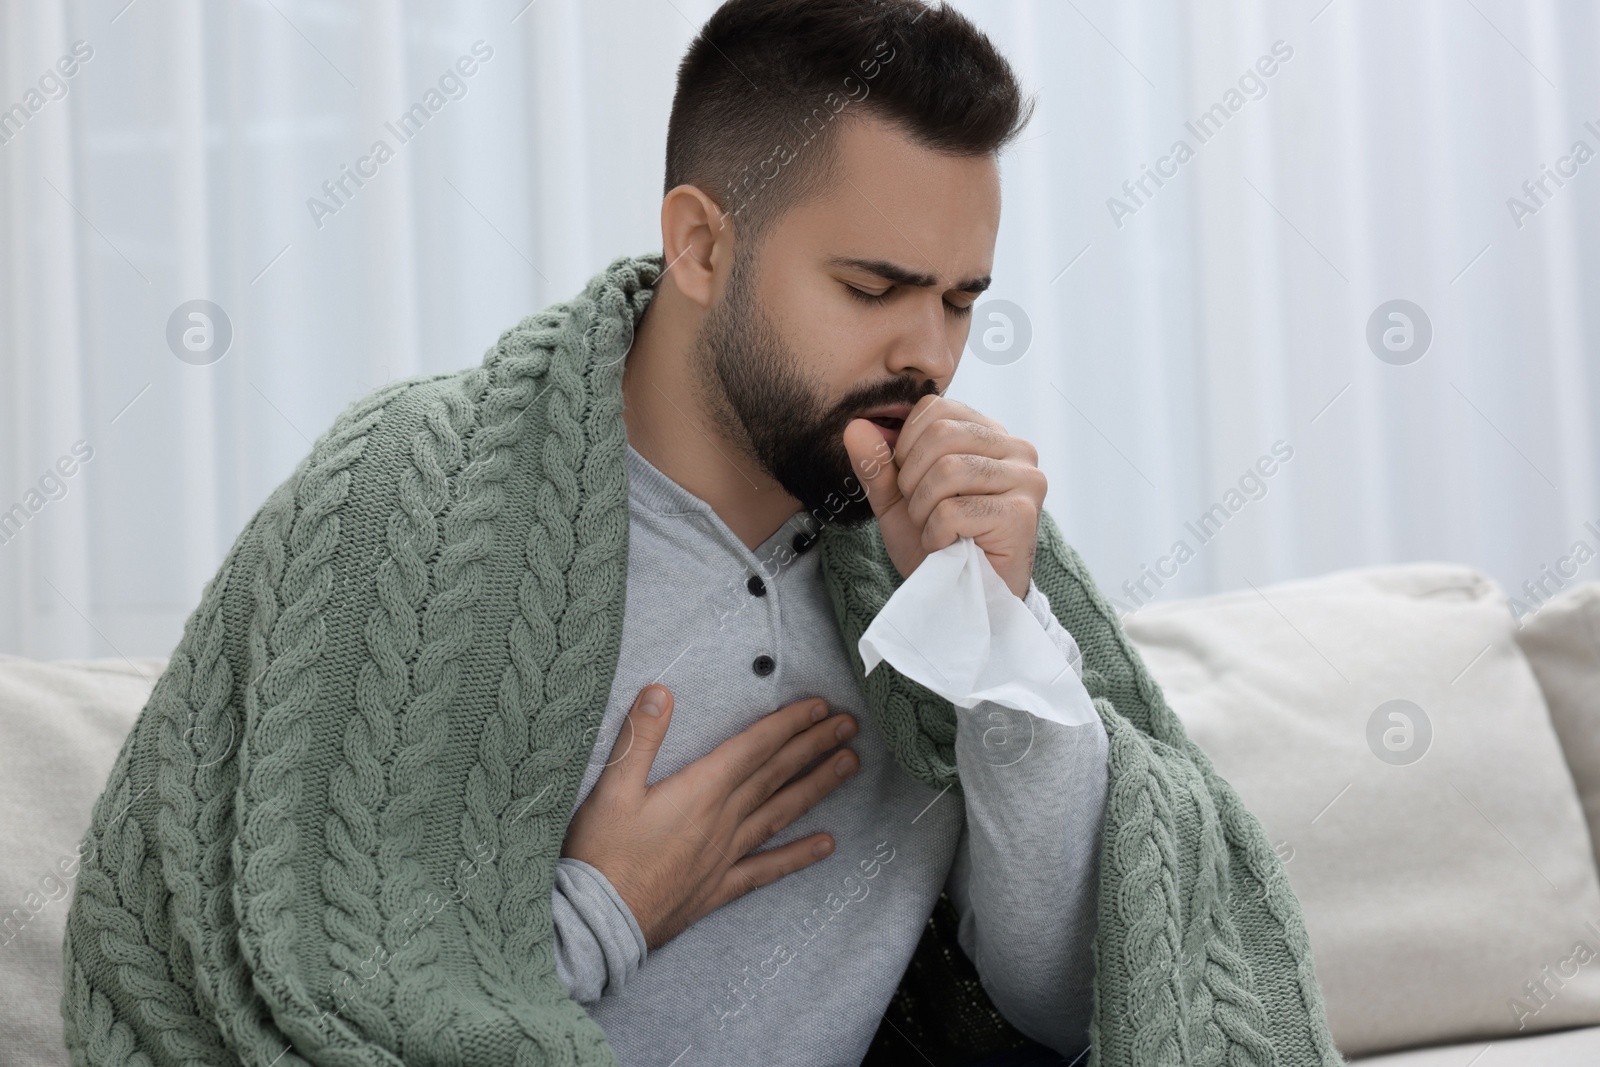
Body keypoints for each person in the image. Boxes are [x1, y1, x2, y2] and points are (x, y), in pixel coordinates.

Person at [62, 3, 1345, 1066]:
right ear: (699, 244)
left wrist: (1005, 650)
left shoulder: (948, 542)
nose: (928, 353)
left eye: (961, 300)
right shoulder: (397, 508)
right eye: (871, 287)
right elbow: (264, 996)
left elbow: (1087, 1005)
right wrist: (604, 910)